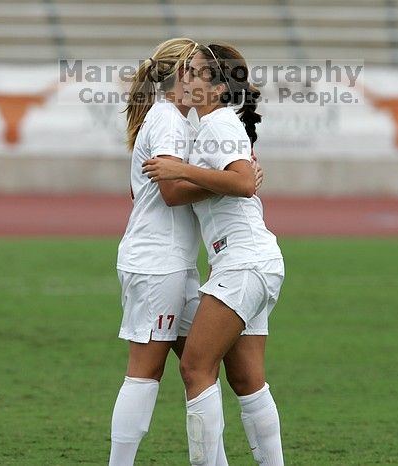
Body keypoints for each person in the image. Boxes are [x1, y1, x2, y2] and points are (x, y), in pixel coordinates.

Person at [110, 38, 262, 466]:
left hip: (174, 265)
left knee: (200, 367)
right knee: (145, 372)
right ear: (180, 75)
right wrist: (232, 182)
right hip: (157, 263)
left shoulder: (179, 121)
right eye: (193, 68)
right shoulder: (170, 121)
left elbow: (142, 189)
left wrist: (238, 175)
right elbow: (173, 191)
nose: (197, 74)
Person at [143, 43, 285, 466]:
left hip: (244, 263)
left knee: (194, 368)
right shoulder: (215, 125)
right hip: (254, 261)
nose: (183, 79)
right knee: (246, 379)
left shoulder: (217, 125)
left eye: (194, 73)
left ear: (219, 87)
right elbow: (236, 182)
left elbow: (242, 182)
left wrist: (178, 168)